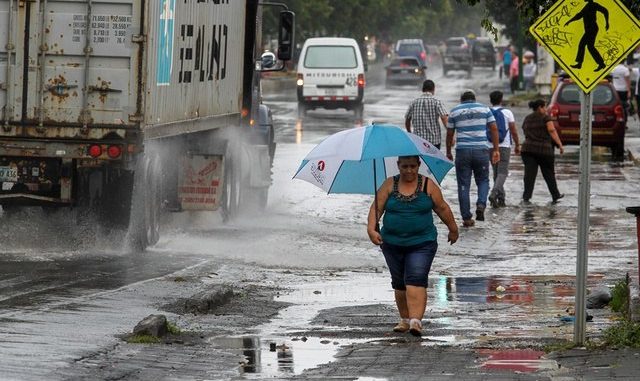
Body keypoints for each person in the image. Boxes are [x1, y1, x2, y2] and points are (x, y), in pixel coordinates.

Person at [367, 155, 458, 337]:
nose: (409, 170)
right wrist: (371, 229)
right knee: (399, 282)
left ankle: (416, 321)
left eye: (412, 166)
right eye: (405, 166)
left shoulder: (428, 185)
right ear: (398, 166)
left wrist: (453, 228)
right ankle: (405, 319)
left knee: (415, 278)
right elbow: (376, 209)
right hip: (391, 243)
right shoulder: (388, 185)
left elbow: (442, 208)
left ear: (419, 165)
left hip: (422, 242)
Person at [446, 90, 500, 227]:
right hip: (481, 151)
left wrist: (448, 151)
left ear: (461, 99)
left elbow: (449, 134)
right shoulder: (484, 109)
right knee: (483, 180)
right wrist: (496, 149)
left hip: (462, 151)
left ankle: (466, 218)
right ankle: (481, 204)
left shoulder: (455, 111)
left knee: (463, 184)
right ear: (474, 99)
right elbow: (494, 128)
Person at [520, 99, 565, 204]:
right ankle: (555, 195)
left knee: (529, 175)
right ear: (540, 107)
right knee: (548, 173)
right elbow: (552, 130)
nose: (546, 109)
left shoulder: (527, 118)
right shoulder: (545, 118)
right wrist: (559, 144)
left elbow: (524, 130)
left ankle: (526, 196)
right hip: (544, 151)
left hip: (528, 149)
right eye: (545, 107)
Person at [488, 91, 521, 208]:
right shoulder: (507, 112)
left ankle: (501, 199)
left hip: (490, 146)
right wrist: (517, 144)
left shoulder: (487, 112)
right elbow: (513, 130)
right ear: (501, 99)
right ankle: (494, 193)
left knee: (496, 173)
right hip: (504, 146)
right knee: (502, 172)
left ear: (490, 100)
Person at [565, 0, 608, 71]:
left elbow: (605, 11)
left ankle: (580, 63)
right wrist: (570, 21)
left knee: (582, 44)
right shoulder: (587, 6)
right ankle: (601, 63)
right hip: (590, 29)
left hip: (592, 28)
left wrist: (607, 22)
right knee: (590, 47)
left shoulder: (593, 5)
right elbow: (579, 15)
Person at [405, 80, 449, 149]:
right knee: (434, 159)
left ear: (423, 89)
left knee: (420, 160)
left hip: (418, 141)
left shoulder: (413, 102)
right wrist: (451, 136)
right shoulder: (437, 102)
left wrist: (410, 133)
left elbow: (407, 120)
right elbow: (444, 118)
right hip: (434, 142)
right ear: (433, 89)